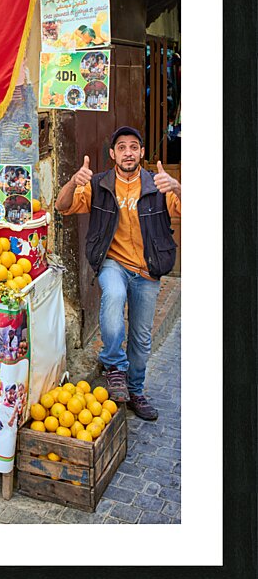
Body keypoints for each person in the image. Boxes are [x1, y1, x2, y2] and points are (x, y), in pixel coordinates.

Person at [55, 126, 181, 419]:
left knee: (141, 337)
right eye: (121, 147)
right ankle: (114, 365)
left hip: (148, 269)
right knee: (113, 294)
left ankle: (136, 391)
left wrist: (176, 187)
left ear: (141, 152)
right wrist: (73, 181)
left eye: (133, 147)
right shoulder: (99, 184)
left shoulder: (156, 185)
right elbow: (62, 206)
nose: (128, 153)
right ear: (112, 154)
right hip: (114, 262)